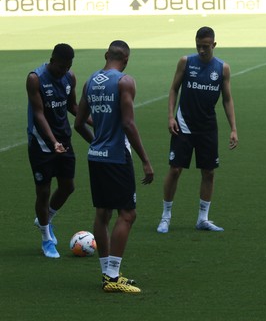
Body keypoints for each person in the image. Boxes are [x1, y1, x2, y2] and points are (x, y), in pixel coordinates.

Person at [75, 40, 154, 293]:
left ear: (106, 55)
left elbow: (78, 123)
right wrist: (145, 160)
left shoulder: (89, 82)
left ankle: (107, 274)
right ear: (126, 60)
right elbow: (128, 124)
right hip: (117, 157)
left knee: (102, 214)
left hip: (95, 156)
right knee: (128, 214)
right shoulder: (124, 82)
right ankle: (112, 276)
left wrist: (97, 141)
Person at [157, 26, 238, 234]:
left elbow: (227, 99)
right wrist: (170, 116)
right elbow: (174, 88)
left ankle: (203, 218)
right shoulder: (186, 62)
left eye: (206, 47)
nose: (202, 50)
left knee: (209, 172)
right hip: (183, 124)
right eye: (198, 46)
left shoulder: (222, 68)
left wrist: (233, 128)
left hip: (208, 127)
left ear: (214, 45)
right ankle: (165, 216)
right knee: (175, 170)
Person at [26, 43, 91, 258]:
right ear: (52, 60)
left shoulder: (69, 77)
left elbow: (73, 107)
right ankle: (46, 239)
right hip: (42, 143)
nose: (64, 71)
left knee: (67, 186)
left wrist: (95, 122)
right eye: (61, 66)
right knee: (43, 191)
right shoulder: (35, 78)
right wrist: (53, 142)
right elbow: (39, 114)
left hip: (64, 138)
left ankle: (45, 218)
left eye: (68, 67)